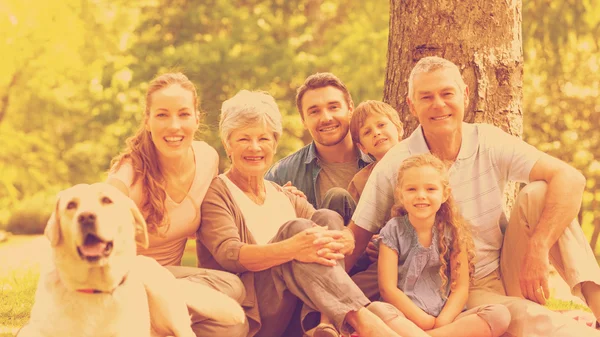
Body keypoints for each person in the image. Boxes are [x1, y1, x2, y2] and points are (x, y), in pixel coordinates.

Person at [346, 56, 600, 336]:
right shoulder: (395, 163)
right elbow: (356, 237)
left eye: (447, 93)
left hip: (508, 264)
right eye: (426, 97)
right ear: (411, 105)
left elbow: (572, 179)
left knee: (543, 191)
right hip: (461, 289)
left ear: (465, 95)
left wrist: (537, 249)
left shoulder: (489, 140)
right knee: (531, 318)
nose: (439, 105)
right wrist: (325, 298)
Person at [197, 89, 417, 337]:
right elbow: (229, 254)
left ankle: (325, 323)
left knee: (326, 217)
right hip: (254, 313)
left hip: (300, 313)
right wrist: (292, 247)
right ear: (228, 144)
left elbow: (330, 233)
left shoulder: (285, 195)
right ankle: (362, 320)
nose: (255, 147)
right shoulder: (218, 191)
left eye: (264, 139)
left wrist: (351, 238)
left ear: (275, 142)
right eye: (244, 139)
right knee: (298, 229)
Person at [106, 72, 248, 337]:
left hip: (173, 285)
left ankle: (156, 324)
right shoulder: (128, 174)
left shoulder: (207, 158)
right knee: (233, 287)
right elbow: (100, 210)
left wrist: (277, 190)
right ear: (147, 121)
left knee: (234, 325)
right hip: (127, 286)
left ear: (196, 118)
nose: (174, 126)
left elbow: (226, 201)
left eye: (183, 114)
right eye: (162, 115)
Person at [378, 153, 510, 337]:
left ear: (444, 193)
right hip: (406, 317)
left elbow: (461, 288)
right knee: (377, 310)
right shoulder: (393, 230)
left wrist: (442, 322)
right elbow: (387, 288)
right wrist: (422, 320)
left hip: (446, 318)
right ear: (400, 193)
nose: (421, 196)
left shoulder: (453, 231)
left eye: (431, 189)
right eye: (412, 189)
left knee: (499, 315)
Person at [265, 72, 372, 224]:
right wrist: (281, 209)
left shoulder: (381, 160)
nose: (326, 118)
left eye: (333, 107)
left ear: (350, 109)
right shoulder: (282, 175)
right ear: (303, 120)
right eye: (314, 111)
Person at [346, 100, 403, 278]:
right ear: (363, 147)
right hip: (376, 259)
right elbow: (357, 226)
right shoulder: (360, 181)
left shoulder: (421, 163)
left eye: (381, 125)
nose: (376, 133)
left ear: (399, 129)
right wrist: (371, 242)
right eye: (367, 132)